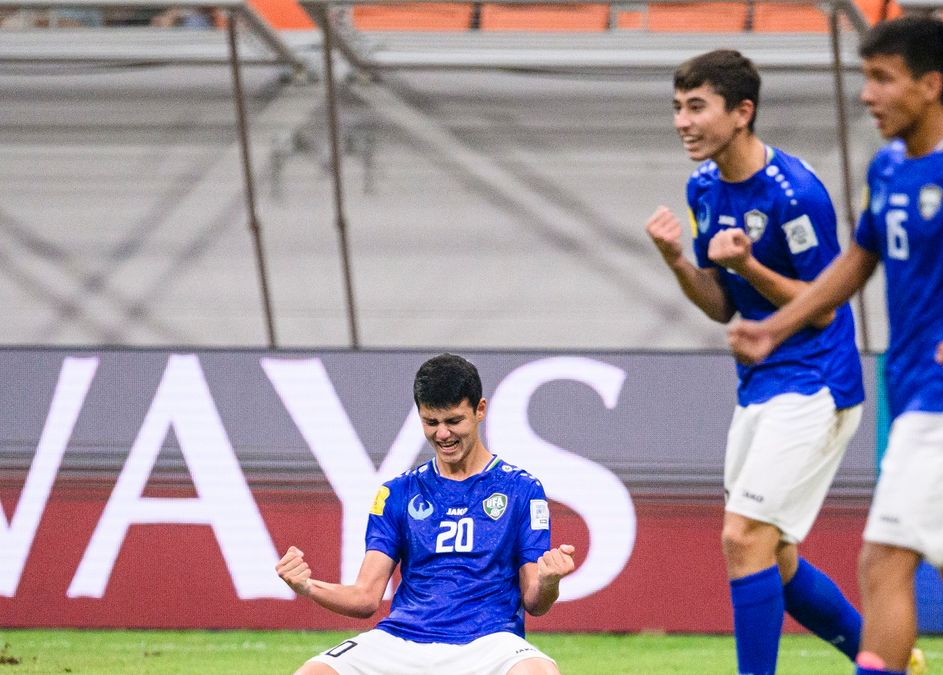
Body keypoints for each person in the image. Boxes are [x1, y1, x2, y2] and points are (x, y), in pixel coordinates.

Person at [728, 17, 943, 675]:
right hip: (912, 392)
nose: (868, 95)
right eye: (867, 78)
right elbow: (855, 263)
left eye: (883, 79)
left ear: (930, 84)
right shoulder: (887, 167)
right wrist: (777, 325)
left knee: (882, 559)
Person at [645, 49, 874, 675]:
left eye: (697, 107)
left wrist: (750, 265)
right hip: (760, 388)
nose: (682, 122)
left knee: (742, 539)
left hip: (818, 381)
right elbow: (721, 306)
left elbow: (823, 309)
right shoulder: (703, 187)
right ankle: (888, 660)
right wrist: (677, 261)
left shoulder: (795, 194)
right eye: (677, 108)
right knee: (774, 557)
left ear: (742, 112)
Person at [276, 353, 575, 675]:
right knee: (313, 672)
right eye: (431, 422)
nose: (442, 434)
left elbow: (535, 602)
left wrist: (548, 581)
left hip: (489, 642)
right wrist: (308, 587)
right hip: (402, 638)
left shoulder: (521, 490)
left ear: (480, 410)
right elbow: (365, 599)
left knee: (540, 671)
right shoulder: (398, 493)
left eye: (453, 421)